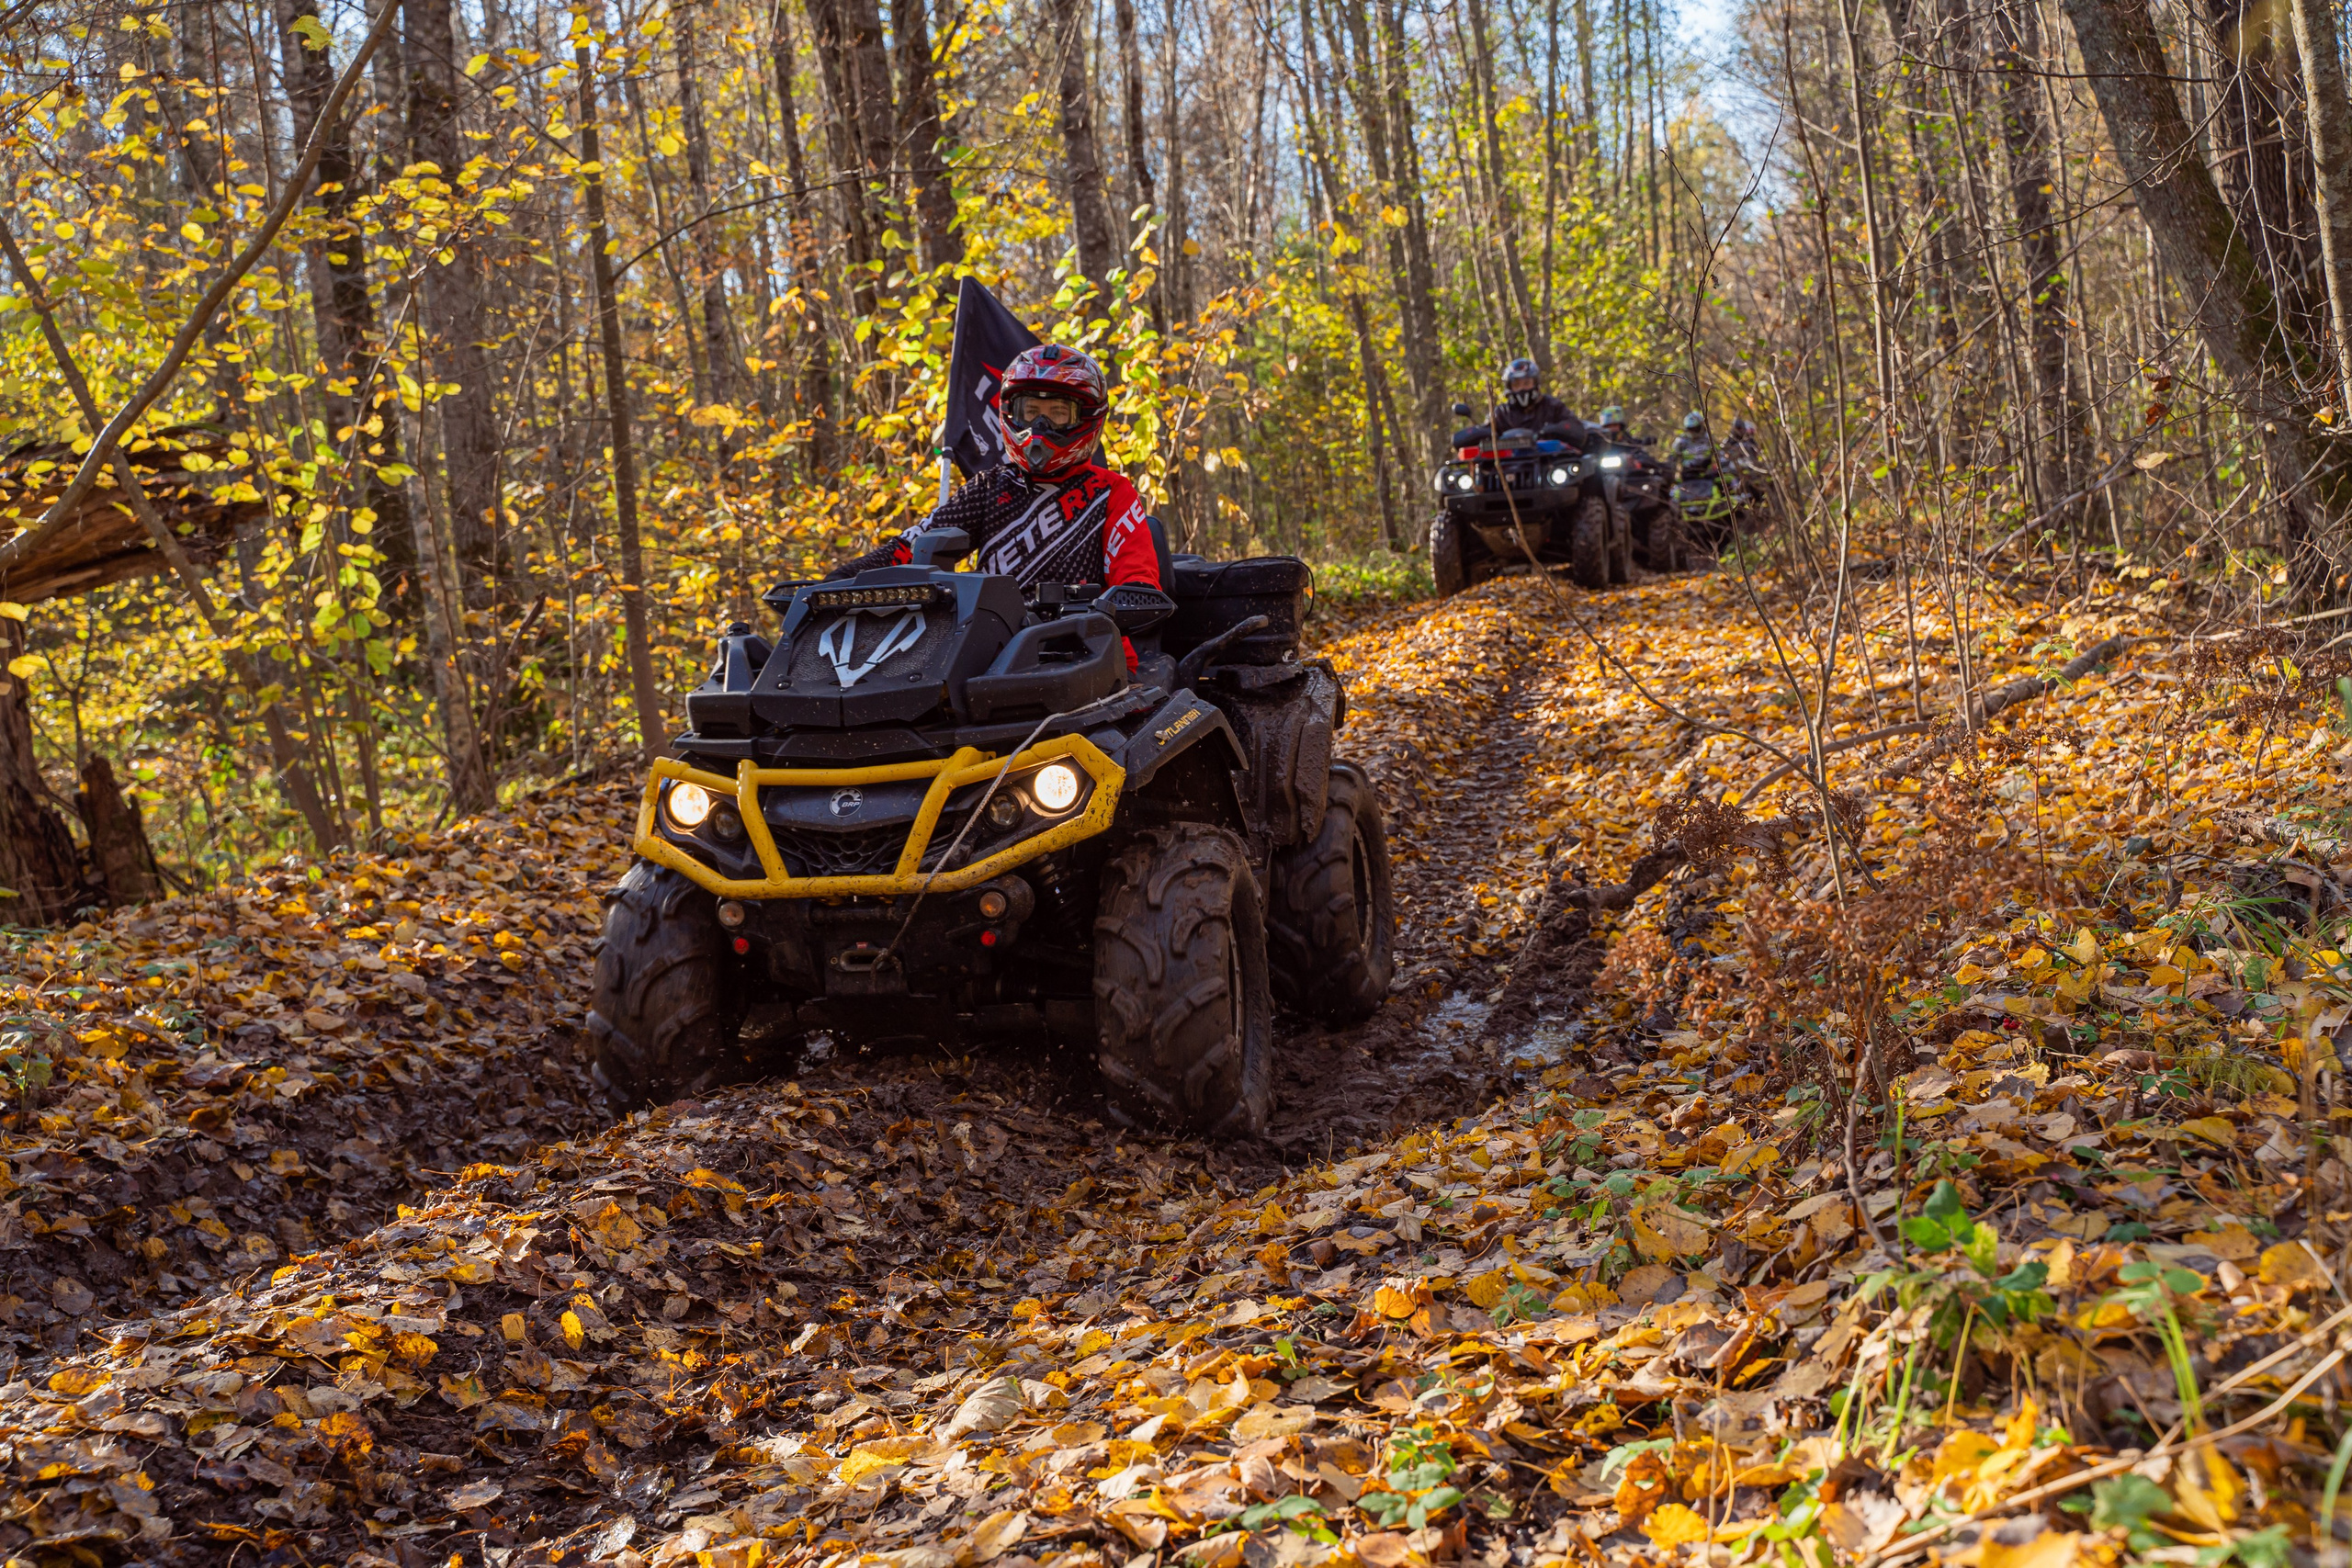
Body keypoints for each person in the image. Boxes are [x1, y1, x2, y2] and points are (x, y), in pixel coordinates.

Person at [829, 344, 1159, 604]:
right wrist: (836, 583)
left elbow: (1136, 575)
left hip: (1087, 647)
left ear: (1086, 417)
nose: (1039, 427)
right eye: (1030, 412)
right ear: (1010, 413)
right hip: (992, 647)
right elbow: (911, 548)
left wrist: (1132, 598)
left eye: (1058, 414)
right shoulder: (990, 486)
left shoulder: (1110, 491)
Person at [1487, 356, 1583, 444]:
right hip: (1508, 462)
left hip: (1549, 460)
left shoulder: (1553, 406)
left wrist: (1553, 430)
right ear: (1510, 387)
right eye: (1516, 385)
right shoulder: (1501, 413)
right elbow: (1484, 432)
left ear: (1535, 383)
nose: (1522, 389)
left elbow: (1576, 428)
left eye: (1526, 383)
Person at [1667, 411, 1718, 480]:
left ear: (1701, 425)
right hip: (1687, 476)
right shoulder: (1682, 440)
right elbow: (1672, 458)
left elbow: (1720, 454)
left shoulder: (1709, 439)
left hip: (1708, 475)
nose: (1693, 431)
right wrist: (1671, 475)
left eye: (1696, 428)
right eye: (1691, 429)